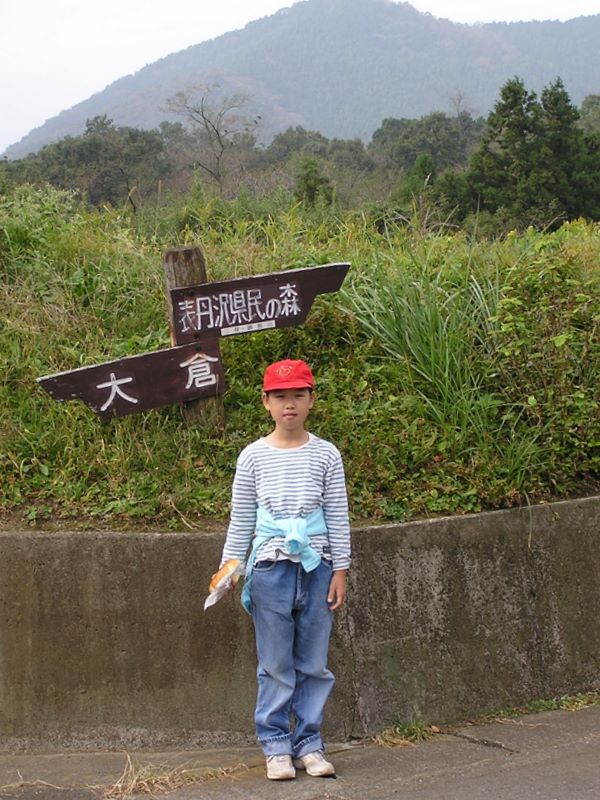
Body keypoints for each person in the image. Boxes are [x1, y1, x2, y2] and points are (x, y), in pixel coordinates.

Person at [215, 358, 351, 781]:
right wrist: (230, 568)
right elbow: (242, 519)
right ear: (266, 402)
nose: (289, 404)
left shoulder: (326, 454)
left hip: (317, 567)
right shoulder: (253, 456)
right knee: (274, 663)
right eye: (280, 396)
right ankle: (275, 745)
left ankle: (309, 743)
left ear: (311, 399)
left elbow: (337, 514)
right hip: (270, 569)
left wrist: (340, 569)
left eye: (297, 395)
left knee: (313, 663)